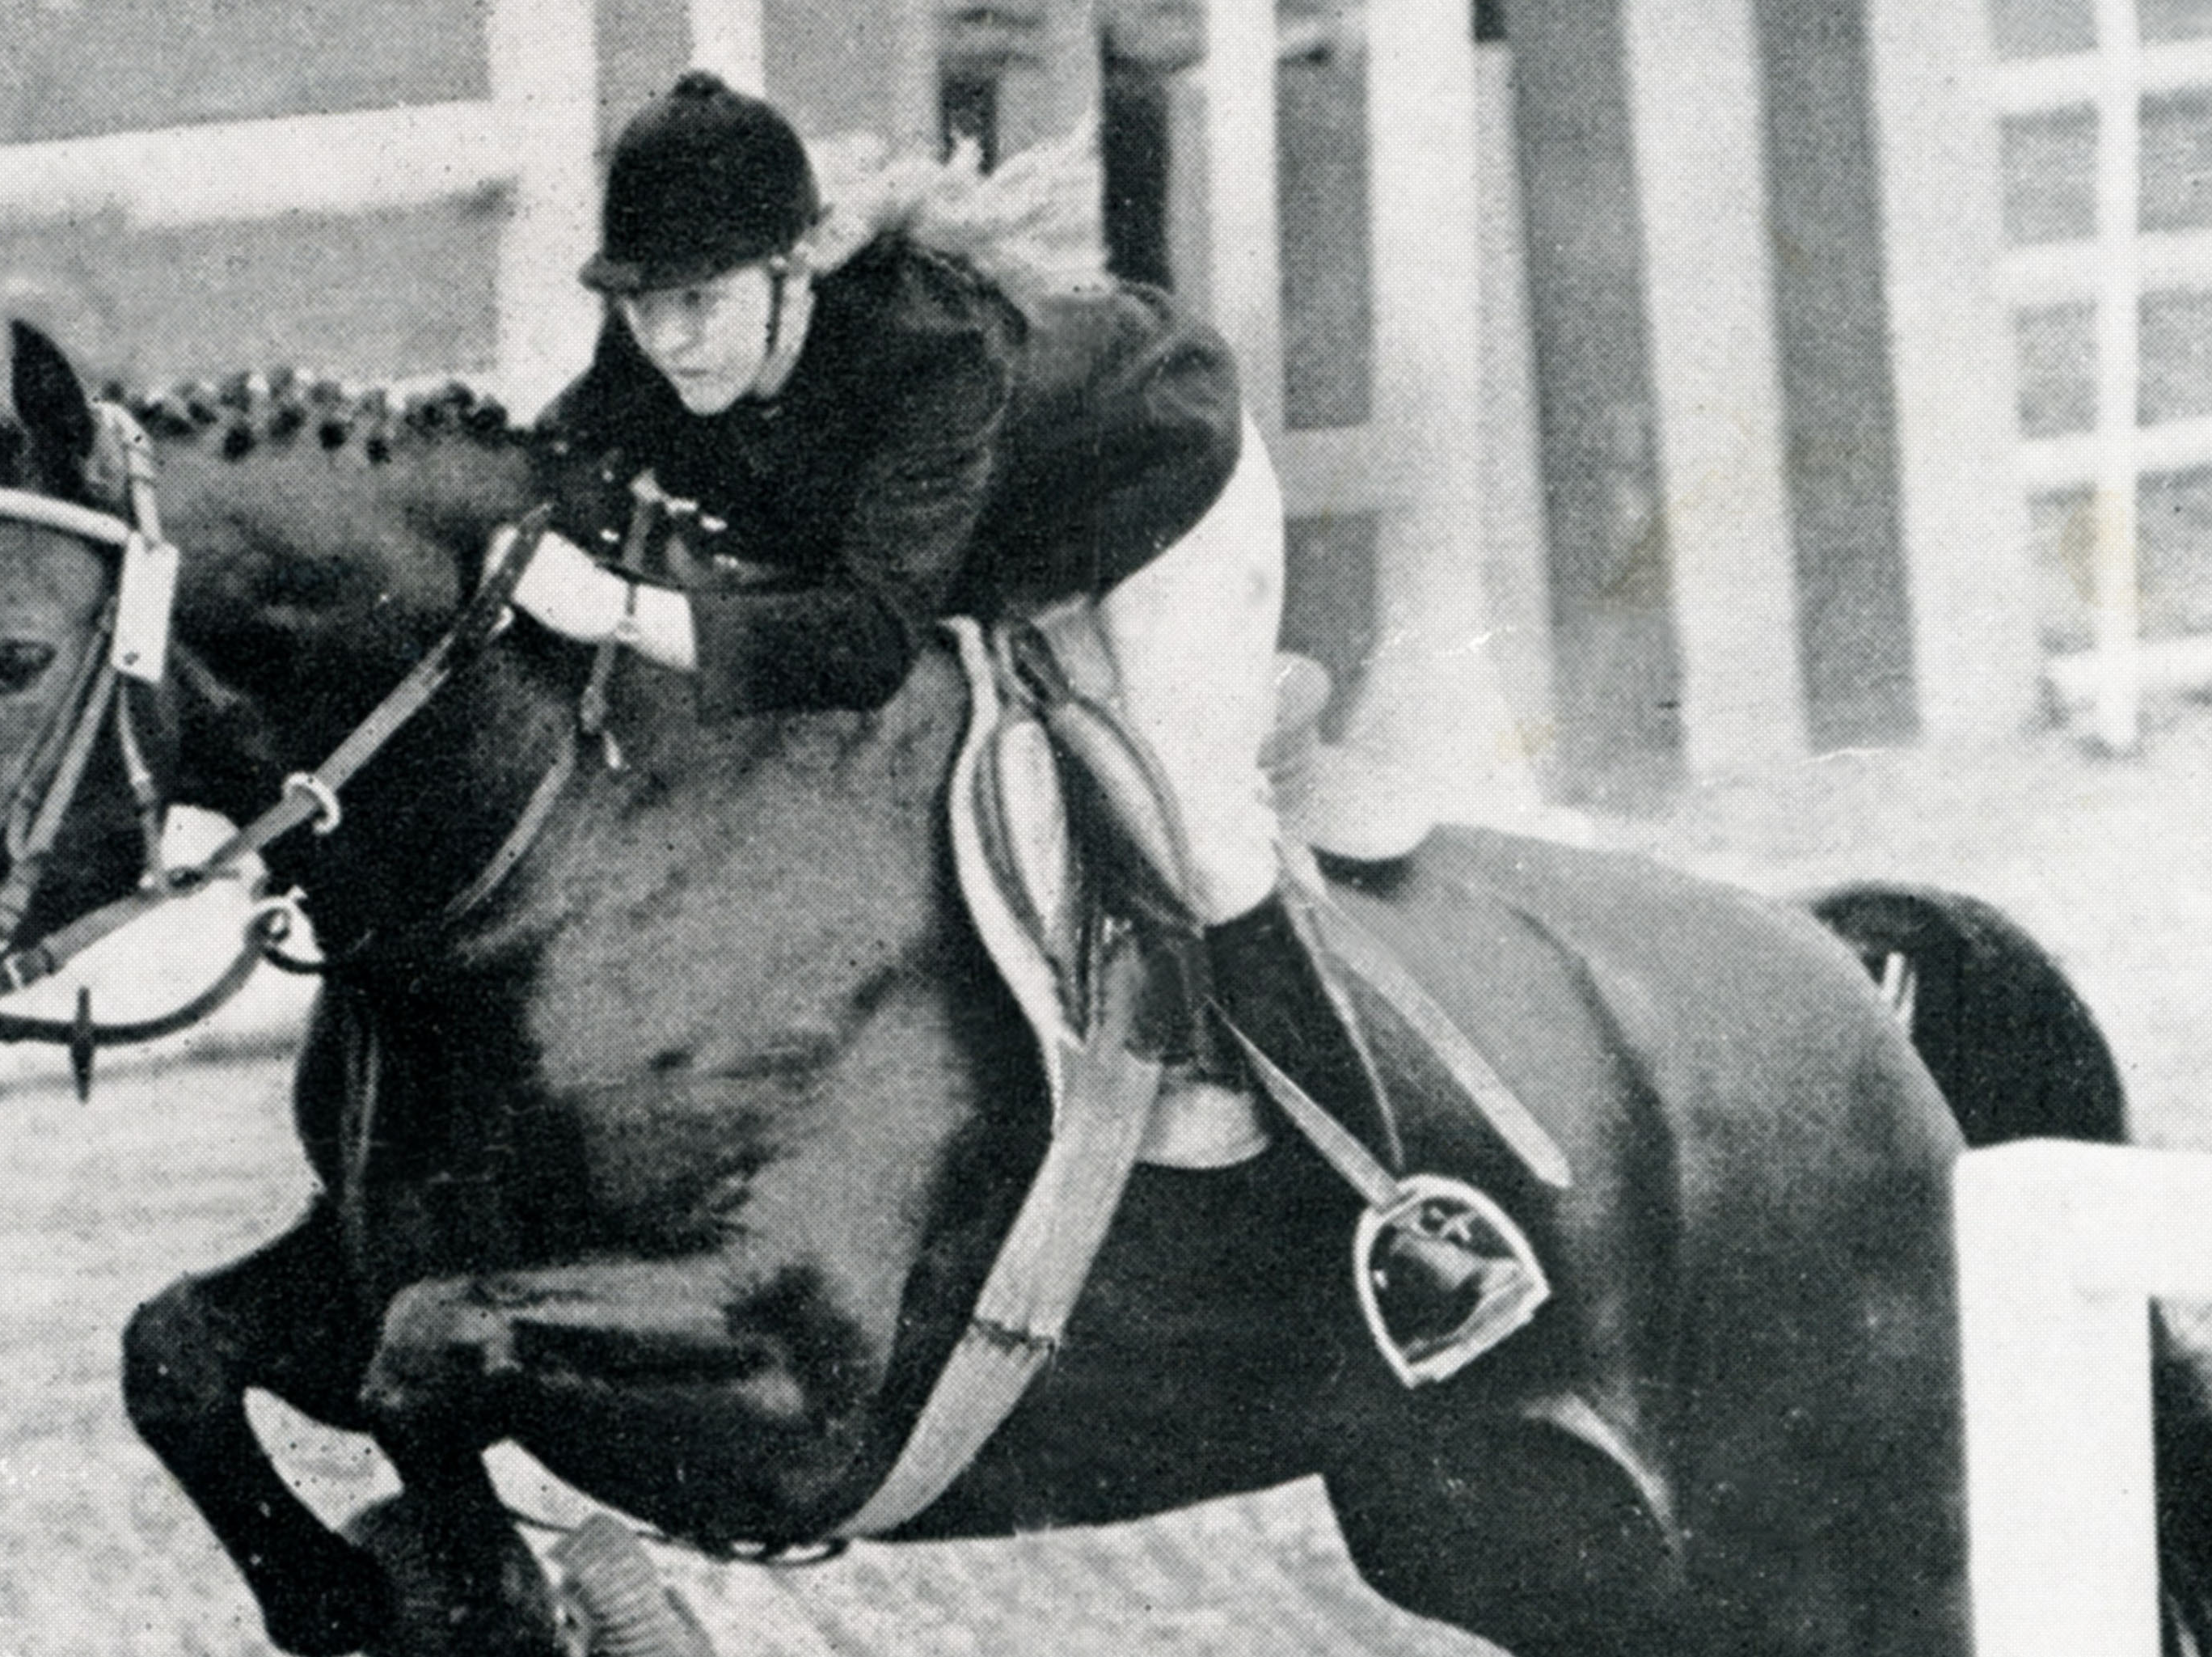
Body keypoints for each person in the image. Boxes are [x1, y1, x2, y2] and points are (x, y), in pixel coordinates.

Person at [507, 71, 1540, 1374]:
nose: (670, 343)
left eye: (699, 302)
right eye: (643, 307)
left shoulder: (926, 351)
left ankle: (1407, 1211)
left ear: (795, 271)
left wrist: (613, 608)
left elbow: (872, 640)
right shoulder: (656, 351)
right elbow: (544, 470)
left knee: (1187, 829)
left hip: (1155, 510)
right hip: (975, 562)